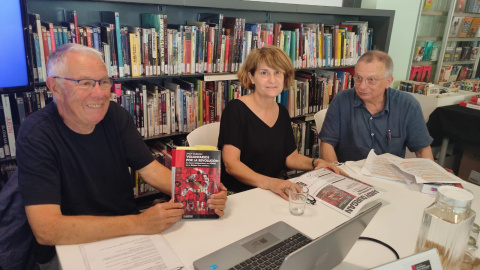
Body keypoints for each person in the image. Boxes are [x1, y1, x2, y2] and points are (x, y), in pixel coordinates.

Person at [16, 43, 227, 268]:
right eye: (85, 83)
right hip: (68, 247)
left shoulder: (115, 115)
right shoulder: (36, 134)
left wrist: (203, 194)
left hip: (127, 235)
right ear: (54, 87)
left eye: (104, 82)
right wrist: (139, 223)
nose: (99, 93)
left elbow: (151, 171)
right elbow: (47, 230)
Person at [218, 45, 345, 200]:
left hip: (273, 191)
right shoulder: (235, 110)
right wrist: (273, 184)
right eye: (264, 73)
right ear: (251, 77)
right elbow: (232, 165)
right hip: (240, 195)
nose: (272, 80)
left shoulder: (282, 111)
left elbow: (290, 157)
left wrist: (317, 162)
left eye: (277, 72)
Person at [319, 50, 434, 163]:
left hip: (389, 176)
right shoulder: (342, 100)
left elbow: (422, 149)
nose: (362, 86)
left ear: (388, 81)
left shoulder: (408, 105)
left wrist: (429, 179)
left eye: (371, 80)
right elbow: (327, 143)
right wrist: (336, 174)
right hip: (349, 175)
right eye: (358, 78)